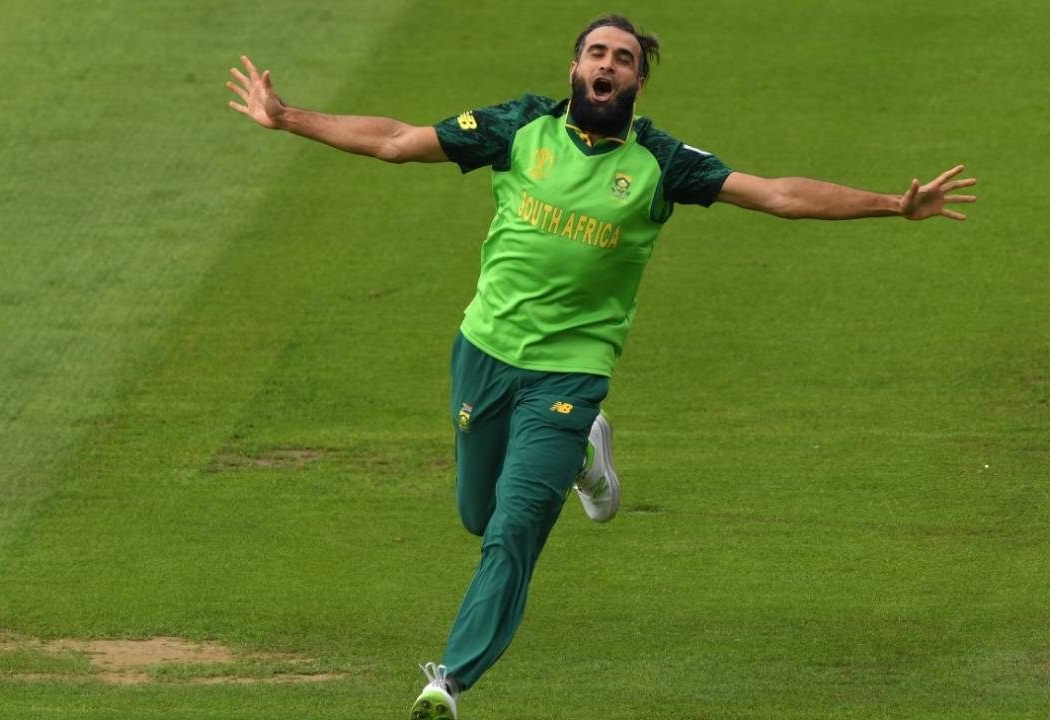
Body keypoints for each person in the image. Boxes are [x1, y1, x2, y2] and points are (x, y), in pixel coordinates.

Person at [226, 14, 976, 720]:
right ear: (576, 68)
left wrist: (890, 205)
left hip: (570, 376)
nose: (608, 65)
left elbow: (775, 193)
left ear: (638, 83)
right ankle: (588, 455)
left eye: (624, 58)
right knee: (479, 517)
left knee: (516, 525)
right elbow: (394, 139)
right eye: (597, 53)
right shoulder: (520, 127)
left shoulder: (661, 162)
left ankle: (449, 681)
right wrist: (288, 117)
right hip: (485, 353)